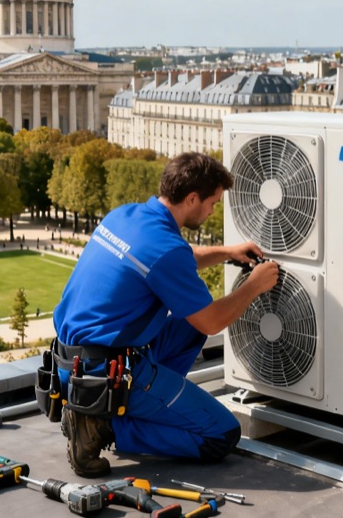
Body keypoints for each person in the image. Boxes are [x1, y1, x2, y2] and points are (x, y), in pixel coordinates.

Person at [53, 152, 280, 477]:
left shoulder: (125, 216)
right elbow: (212, 321)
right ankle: (103, 426)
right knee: (221, 435)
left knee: (188, 331)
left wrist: (227, 253)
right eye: (212, 203)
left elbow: (174, 260)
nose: (213, 210)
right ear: (191, 198)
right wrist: (253, 287)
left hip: (73, 362)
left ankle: (107, 408)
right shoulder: (166, 250)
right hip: (106, 371)